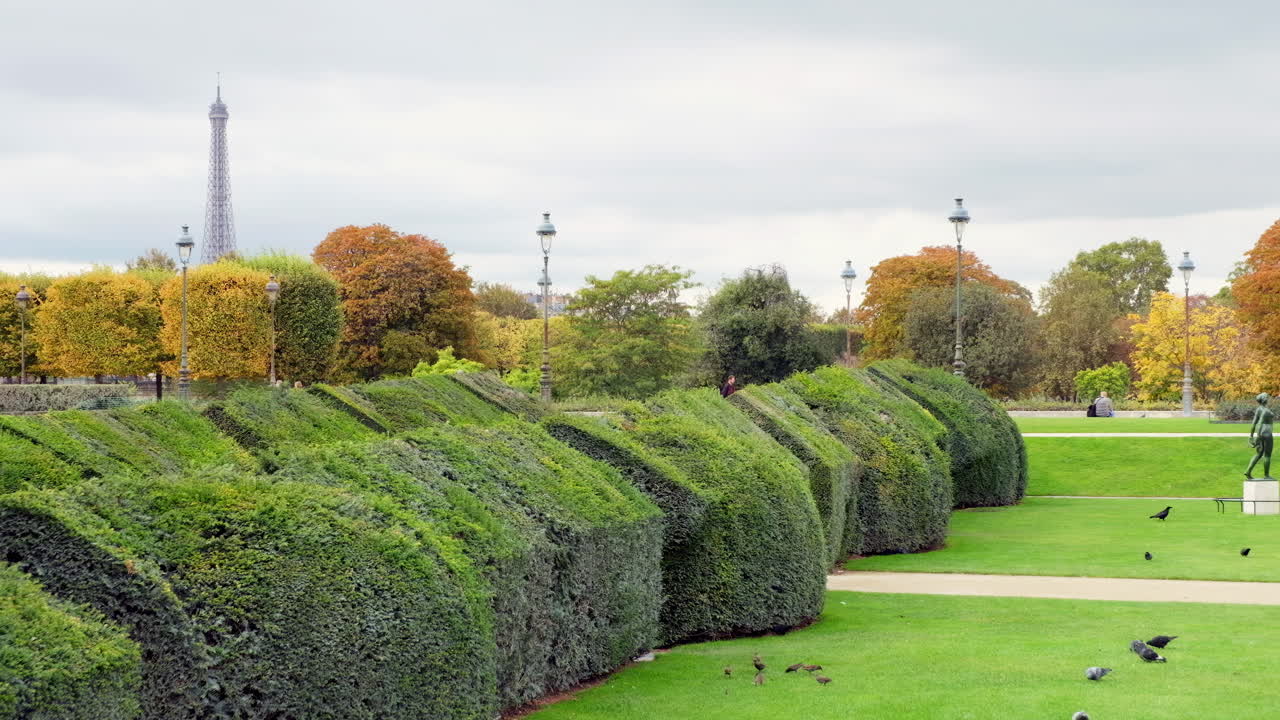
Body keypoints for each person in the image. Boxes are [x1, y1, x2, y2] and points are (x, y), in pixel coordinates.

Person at [1245, 392, 1274, 479]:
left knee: (1259, 453)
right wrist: (1257, 436)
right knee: (1267, 455)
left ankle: (1248, 471)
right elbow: (1260, 422)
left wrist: (1251, 436)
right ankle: (1266, 475)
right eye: (1267, 398)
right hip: (1267, 433)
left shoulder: (1259, 409)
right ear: (1264, 399)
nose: (1268, 399)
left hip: (1261, 433)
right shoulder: (1265, 411)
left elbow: (1254, 423)